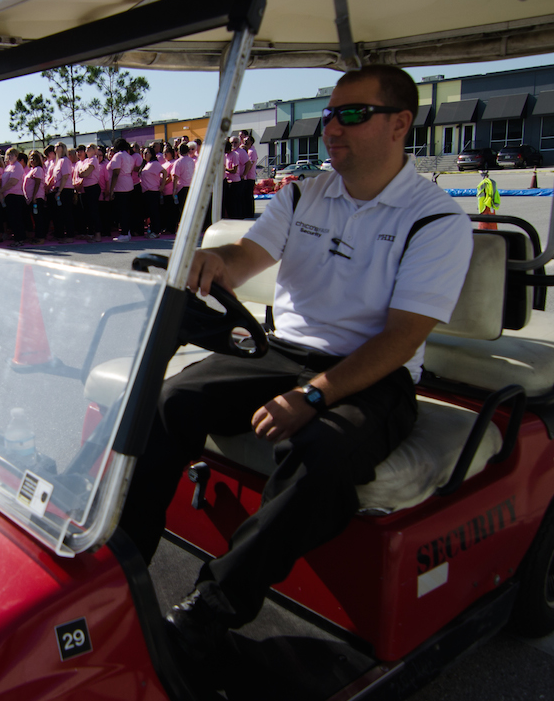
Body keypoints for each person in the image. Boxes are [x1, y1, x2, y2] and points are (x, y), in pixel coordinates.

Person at [117, 65, 473, 662]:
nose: (333, 127)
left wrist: (314, 397)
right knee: (169, 400)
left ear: (400, 124)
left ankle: (214, 609)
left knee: (319, 454)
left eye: (352, 114)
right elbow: (246, 256)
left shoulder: (435, 221)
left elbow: (402, 340)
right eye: (329, 114)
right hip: (285, 351)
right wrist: (214, 261)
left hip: (373, 374)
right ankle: (120, 567)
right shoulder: (305, 192)